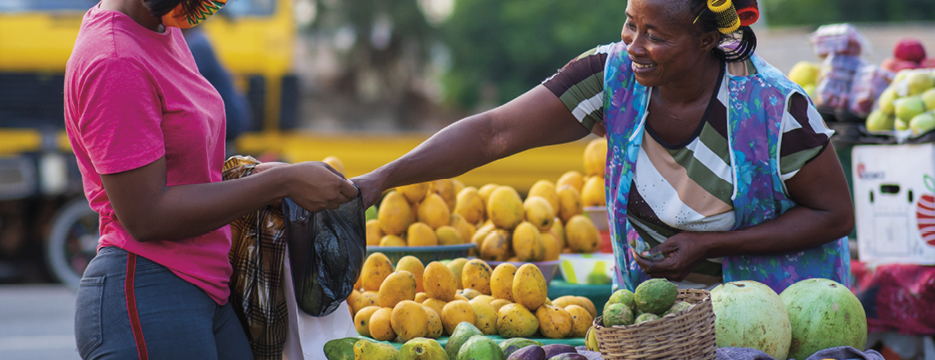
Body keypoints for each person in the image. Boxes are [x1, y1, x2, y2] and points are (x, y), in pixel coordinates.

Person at [354, 0, 854, 293]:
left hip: (769, 323)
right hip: (656, 327)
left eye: (656, 35)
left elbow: (834, 214)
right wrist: (382, 178)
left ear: (705, 40)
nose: (635, 44)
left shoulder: (773, 107)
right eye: (631, 23)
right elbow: (494, 133)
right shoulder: (611, 76)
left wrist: (709, 244)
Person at [64, 1, 358, 359]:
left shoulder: (161, 30)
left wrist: (269, 176)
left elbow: (189, 168)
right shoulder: (115, 61)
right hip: (149, 291)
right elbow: (145, 216)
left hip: (205, 286)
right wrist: (282, 183)